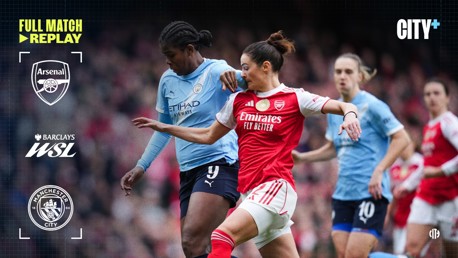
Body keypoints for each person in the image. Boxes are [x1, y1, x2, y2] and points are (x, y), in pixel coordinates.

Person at [131, 31, 362, 258]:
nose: (241, 73)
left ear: (265, 67)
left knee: (220, 237)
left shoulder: (295, 98)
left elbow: (344, 106)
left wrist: (350, 116)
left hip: (275, 188)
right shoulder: (238, 101)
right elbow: (208, 135)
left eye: (245, 67)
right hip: (251, 194)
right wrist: (165, 128)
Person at [120, 21, 244, 258]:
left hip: (219, 164)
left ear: (189, 49)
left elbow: (260, 82)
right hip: (188, 172)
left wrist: (242, 74)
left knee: (192, 240)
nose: (167, 62)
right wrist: (141, 166)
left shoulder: (217, 71)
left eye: (171, 55)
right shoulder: (167, 80)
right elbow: (164, 128)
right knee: (194, 250)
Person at [292, 53, 410, 258]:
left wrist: (380, 170)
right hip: (343, 194)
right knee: (344, 255)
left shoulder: (373, 106)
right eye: (338, 71)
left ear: (359, 77)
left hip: (371, 193)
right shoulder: (335, 110)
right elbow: (333, 148)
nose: (342, 76)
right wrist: (304, 158)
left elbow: (402, 139)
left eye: (348, 72)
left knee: (355, 255)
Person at [404, 79, 458, 257]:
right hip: (426, 197)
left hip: (450, 200)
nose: (431, 97)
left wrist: (441, 171)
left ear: (447, 97)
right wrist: (407, 186)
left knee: (450, 253)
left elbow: (435, 168)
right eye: (427, 94)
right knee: (412, 248)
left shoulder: (449, 123)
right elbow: (427, 164)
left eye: (436, 93)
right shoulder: (428, 127)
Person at [386, 141, 427, 255]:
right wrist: (388, 213)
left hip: (418, 215)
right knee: (399, 251)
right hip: (399, 216)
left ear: (413, 145)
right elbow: (391, 192)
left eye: (406, 145)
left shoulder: (420, 162)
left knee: (412, 250)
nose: (403, 149)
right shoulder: (394, 166)